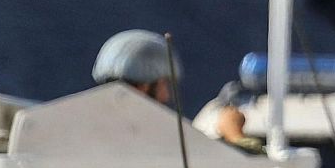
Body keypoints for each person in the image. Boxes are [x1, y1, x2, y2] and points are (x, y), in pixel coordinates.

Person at [91, 28, 256, 149]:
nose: (166, 96)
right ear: (143, 86)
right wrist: (235, 137)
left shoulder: (86, 133)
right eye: (163, 84)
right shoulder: (155, 140)